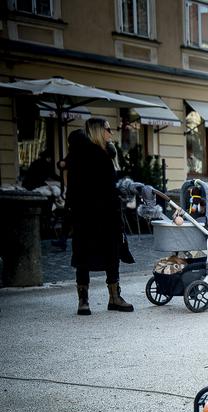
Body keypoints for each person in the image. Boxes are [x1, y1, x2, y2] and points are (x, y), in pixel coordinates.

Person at [64, 118, 133, 315]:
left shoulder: (102, 154)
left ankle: (106, 298)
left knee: (108, 253)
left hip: (100, 213)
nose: (111, 133)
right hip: (90, 213)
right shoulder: (86, 156)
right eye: (108, 129)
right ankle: (93, 299)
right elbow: (76, 187)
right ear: (97, 131)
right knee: (89, 255)